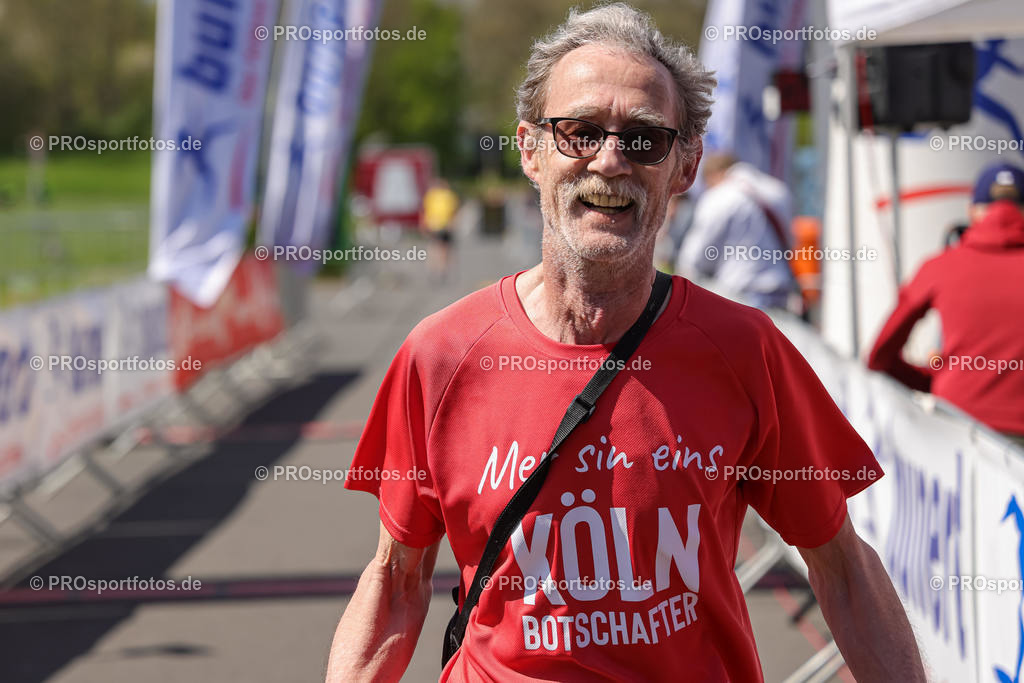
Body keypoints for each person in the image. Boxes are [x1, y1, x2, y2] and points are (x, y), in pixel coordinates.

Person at [327, 5, 923, 682]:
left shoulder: (743, 348)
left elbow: (841, 567)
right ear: (529, 149)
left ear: (686, 165)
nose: (610, 159)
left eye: (644, 139)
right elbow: (395, 581)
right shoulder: (440, 355)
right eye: (579, 131)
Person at [868, 162, 1024, 445]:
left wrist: (935, 382)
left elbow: (879, 355)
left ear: (973, 211)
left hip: (957, 428)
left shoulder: (939, 266)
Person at [675, 153, 799, 310]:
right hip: (781, 293)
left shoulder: (718, 196)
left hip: (739, 294)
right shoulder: (779, 191)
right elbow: (791, 242)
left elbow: (693, 259)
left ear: (713, 176)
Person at [422, 178, 459, 280]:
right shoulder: (447, 195)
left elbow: (425, 211)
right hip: (443, 225)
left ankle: (435, 269)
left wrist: (424, 223)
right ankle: (441, 269)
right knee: (443, 249)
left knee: (435, 248)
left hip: (434, 225)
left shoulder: (431, 195)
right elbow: (454, 211)